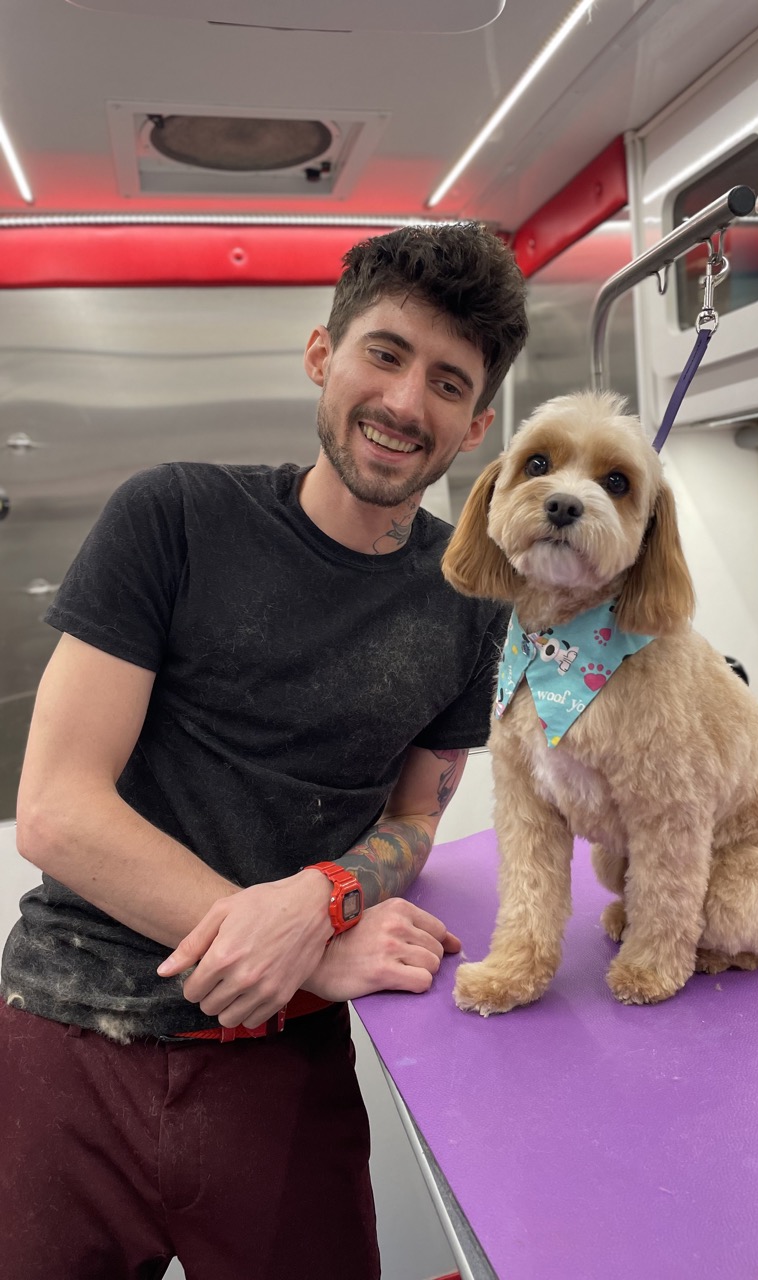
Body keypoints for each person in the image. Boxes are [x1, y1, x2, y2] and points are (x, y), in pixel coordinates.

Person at [0, 221, 528, 1280]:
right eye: (385, 353)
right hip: (69, 1034)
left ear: (473, 424)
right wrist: (316, 945)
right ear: (322, 355)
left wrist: (325, 894)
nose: (405, 402)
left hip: (278, 1060)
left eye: (447, 381)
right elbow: (57, 806)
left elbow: (418, 813)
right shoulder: (175, 515)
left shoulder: (472, 599)